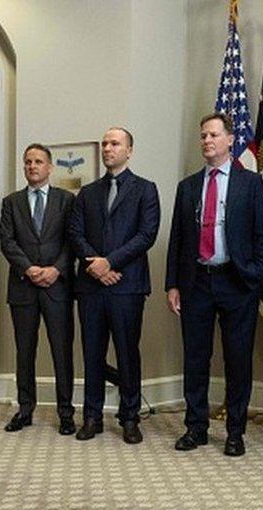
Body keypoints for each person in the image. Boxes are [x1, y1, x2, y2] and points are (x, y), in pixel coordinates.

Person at [164, 113, 263, 456]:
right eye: (203, 136)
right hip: (197, 282)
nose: (207, 141)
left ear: (229, 140)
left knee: (238, 359)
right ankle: (196, 427)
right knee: (196, 357)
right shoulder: (188, 186)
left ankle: (235, 432)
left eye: (213, 135)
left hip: (237, 282)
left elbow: (262, 238)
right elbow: (177, 239)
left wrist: (254, 276)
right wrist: (173, 284)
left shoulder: (250, 183)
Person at [68, 127, 159, 444]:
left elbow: (146, 235)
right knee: (92, 353)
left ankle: (130, 417)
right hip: (91, 287)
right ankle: (92, 416)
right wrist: (96, 265)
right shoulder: (87, 192)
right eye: (105, 143)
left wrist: (111, 262)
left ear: (129, 150)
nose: (108, 148)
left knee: (127, 354)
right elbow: (75, 234)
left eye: (115, 143)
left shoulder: (146, 189)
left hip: (127, 286)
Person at [0, 143, 76, 435]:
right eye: (28, 162)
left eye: (38, 161)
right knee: (24, 352)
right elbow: (7, 241)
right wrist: (29, 269)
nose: (33, 166)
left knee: (61, 352)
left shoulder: (66, 200)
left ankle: (66, 413)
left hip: (57, 287)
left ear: (49, 167)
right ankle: (25, 409)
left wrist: (56, 269)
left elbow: (72, 241)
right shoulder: (11, 202)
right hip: (23, 287)